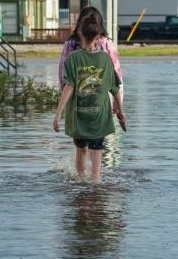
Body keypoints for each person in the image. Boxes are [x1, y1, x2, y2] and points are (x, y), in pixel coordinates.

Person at [53, 14, 126, 182]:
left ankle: (80, 183)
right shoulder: (105, 58)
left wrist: (58, 115)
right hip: (99, 114)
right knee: (97, 148)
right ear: (98, 36)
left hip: (79, 113)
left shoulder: (73, 58)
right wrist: (121, 111)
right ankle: (95, 181)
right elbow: (115, 87)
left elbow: (68, 87)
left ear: (80, 33)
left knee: (81, 148)